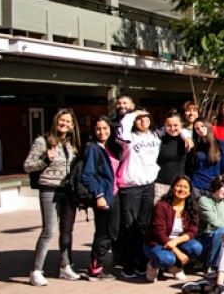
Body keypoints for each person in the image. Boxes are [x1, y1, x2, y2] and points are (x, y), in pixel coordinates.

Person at [24, 108, 81, 286]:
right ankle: (36, 270)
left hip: (68, 191)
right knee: (49, 230)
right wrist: (45, 161)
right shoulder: (42, 141)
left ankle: (65, 267)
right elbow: (27, 166)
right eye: (61, 120)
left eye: (68, 122)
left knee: (66, 231)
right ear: (56, 121)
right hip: (49, 188)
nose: (64, 124)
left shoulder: (72, 144)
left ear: (72, 126)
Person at [115, 108, 160, 278]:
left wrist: (186, 136)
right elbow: (122, 129)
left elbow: (177, 128)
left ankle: (141, 262)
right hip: (131, 186)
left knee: (143, 226)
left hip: (148, 185)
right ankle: (128, 264)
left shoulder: (155, 136)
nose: (143, 121)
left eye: (146, 118)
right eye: (139, 119)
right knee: (129, 226)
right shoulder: (129, 138)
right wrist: (133, 114)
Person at [81, 115, 120, 279]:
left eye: (105, 128)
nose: (102, 131)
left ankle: (102, 262)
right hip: (104, 197)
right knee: (104, 232)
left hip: (116, 194)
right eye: (98, 128)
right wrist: (99, 195)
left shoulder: (110, 147)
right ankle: (95, 267)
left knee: (113, 231)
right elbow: (88, 175)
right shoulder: (93, 148)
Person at [143, 175, 201, 282]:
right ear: (173, 188)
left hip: (176, 242)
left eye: (185, 187)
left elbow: (193, 230)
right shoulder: (161, 206)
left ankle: (175, 267)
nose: (181, 189)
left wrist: (175, 242)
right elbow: (159, 233)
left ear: (189, 191)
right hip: (157, 243)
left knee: (196, 247)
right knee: (168, 258)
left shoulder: (192, 208)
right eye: (178, 186)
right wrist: (177, 252)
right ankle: (153, 265)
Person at [196, 173, 224, 276]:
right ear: (218, 185)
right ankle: (212, 267)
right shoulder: (204, 200)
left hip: (223, 237)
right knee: (221, 231)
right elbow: (215, 222)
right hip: (205, 239)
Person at [186, 117, 224, 197]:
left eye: (202, 126)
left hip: (214, 186)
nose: (200, 129)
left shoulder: (221, 144)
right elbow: (191, 166)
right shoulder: (196, 146)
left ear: (208, 126)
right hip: (196, 184)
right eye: (197, 128)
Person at [154, 111, 188, 200]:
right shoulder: (158, 140)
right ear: (164, 126)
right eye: (169, 125)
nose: (172, 128)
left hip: (179, 186)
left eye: (176, 125)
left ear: (181, 125)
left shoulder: (186, 140)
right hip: (160, 185)